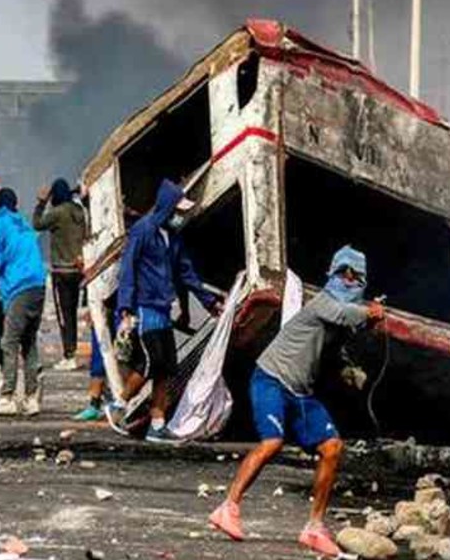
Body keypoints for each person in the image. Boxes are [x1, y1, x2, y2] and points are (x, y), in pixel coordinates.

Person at [208, 246, 384, 557]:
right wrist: (370, 312)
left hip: (300, 391)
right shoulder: (324, 303)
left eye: (354, 277)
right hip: (271, 379)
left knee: (332, 447)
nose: (348, 280)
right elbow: (345, 313)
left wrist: (349, 368)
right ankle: (228, 506)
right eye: (344, 274)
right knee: (272, 442)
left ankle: (314, 527)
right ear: (334, 274)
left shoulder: (340, 323)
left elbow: (332, 348)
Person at [107, 179, 220, 443]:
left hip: (162, 308)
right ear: (168, 207)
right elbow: (128, 269)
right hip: (144, 308)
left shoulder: (174, 238)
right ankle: (119, 403)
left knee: (166, 368)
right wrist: (125, 306)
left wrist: (209, 302)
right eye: (178, 210)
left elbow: (186, 273)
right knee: (150, 362)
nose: (180, 216)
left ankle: (157, 425)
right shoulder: (143, 230)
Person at [0, 186, 48, 416]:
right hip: (38, 283)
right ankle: (31, 397)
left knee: (9, 342)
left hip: (19, 285)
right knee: (29, 341)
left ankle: (7, 396)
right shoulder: (22, 222)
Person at [34, 178, 88, 371]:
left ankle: (69, 354)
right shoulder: (79, 211)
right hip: (78, 269)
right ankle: (72, 352)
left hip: (61, 270)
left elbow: (37, 224)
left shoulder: (57, 213)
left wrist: (41, 203)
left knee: (65, 315)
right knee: (73, 311)